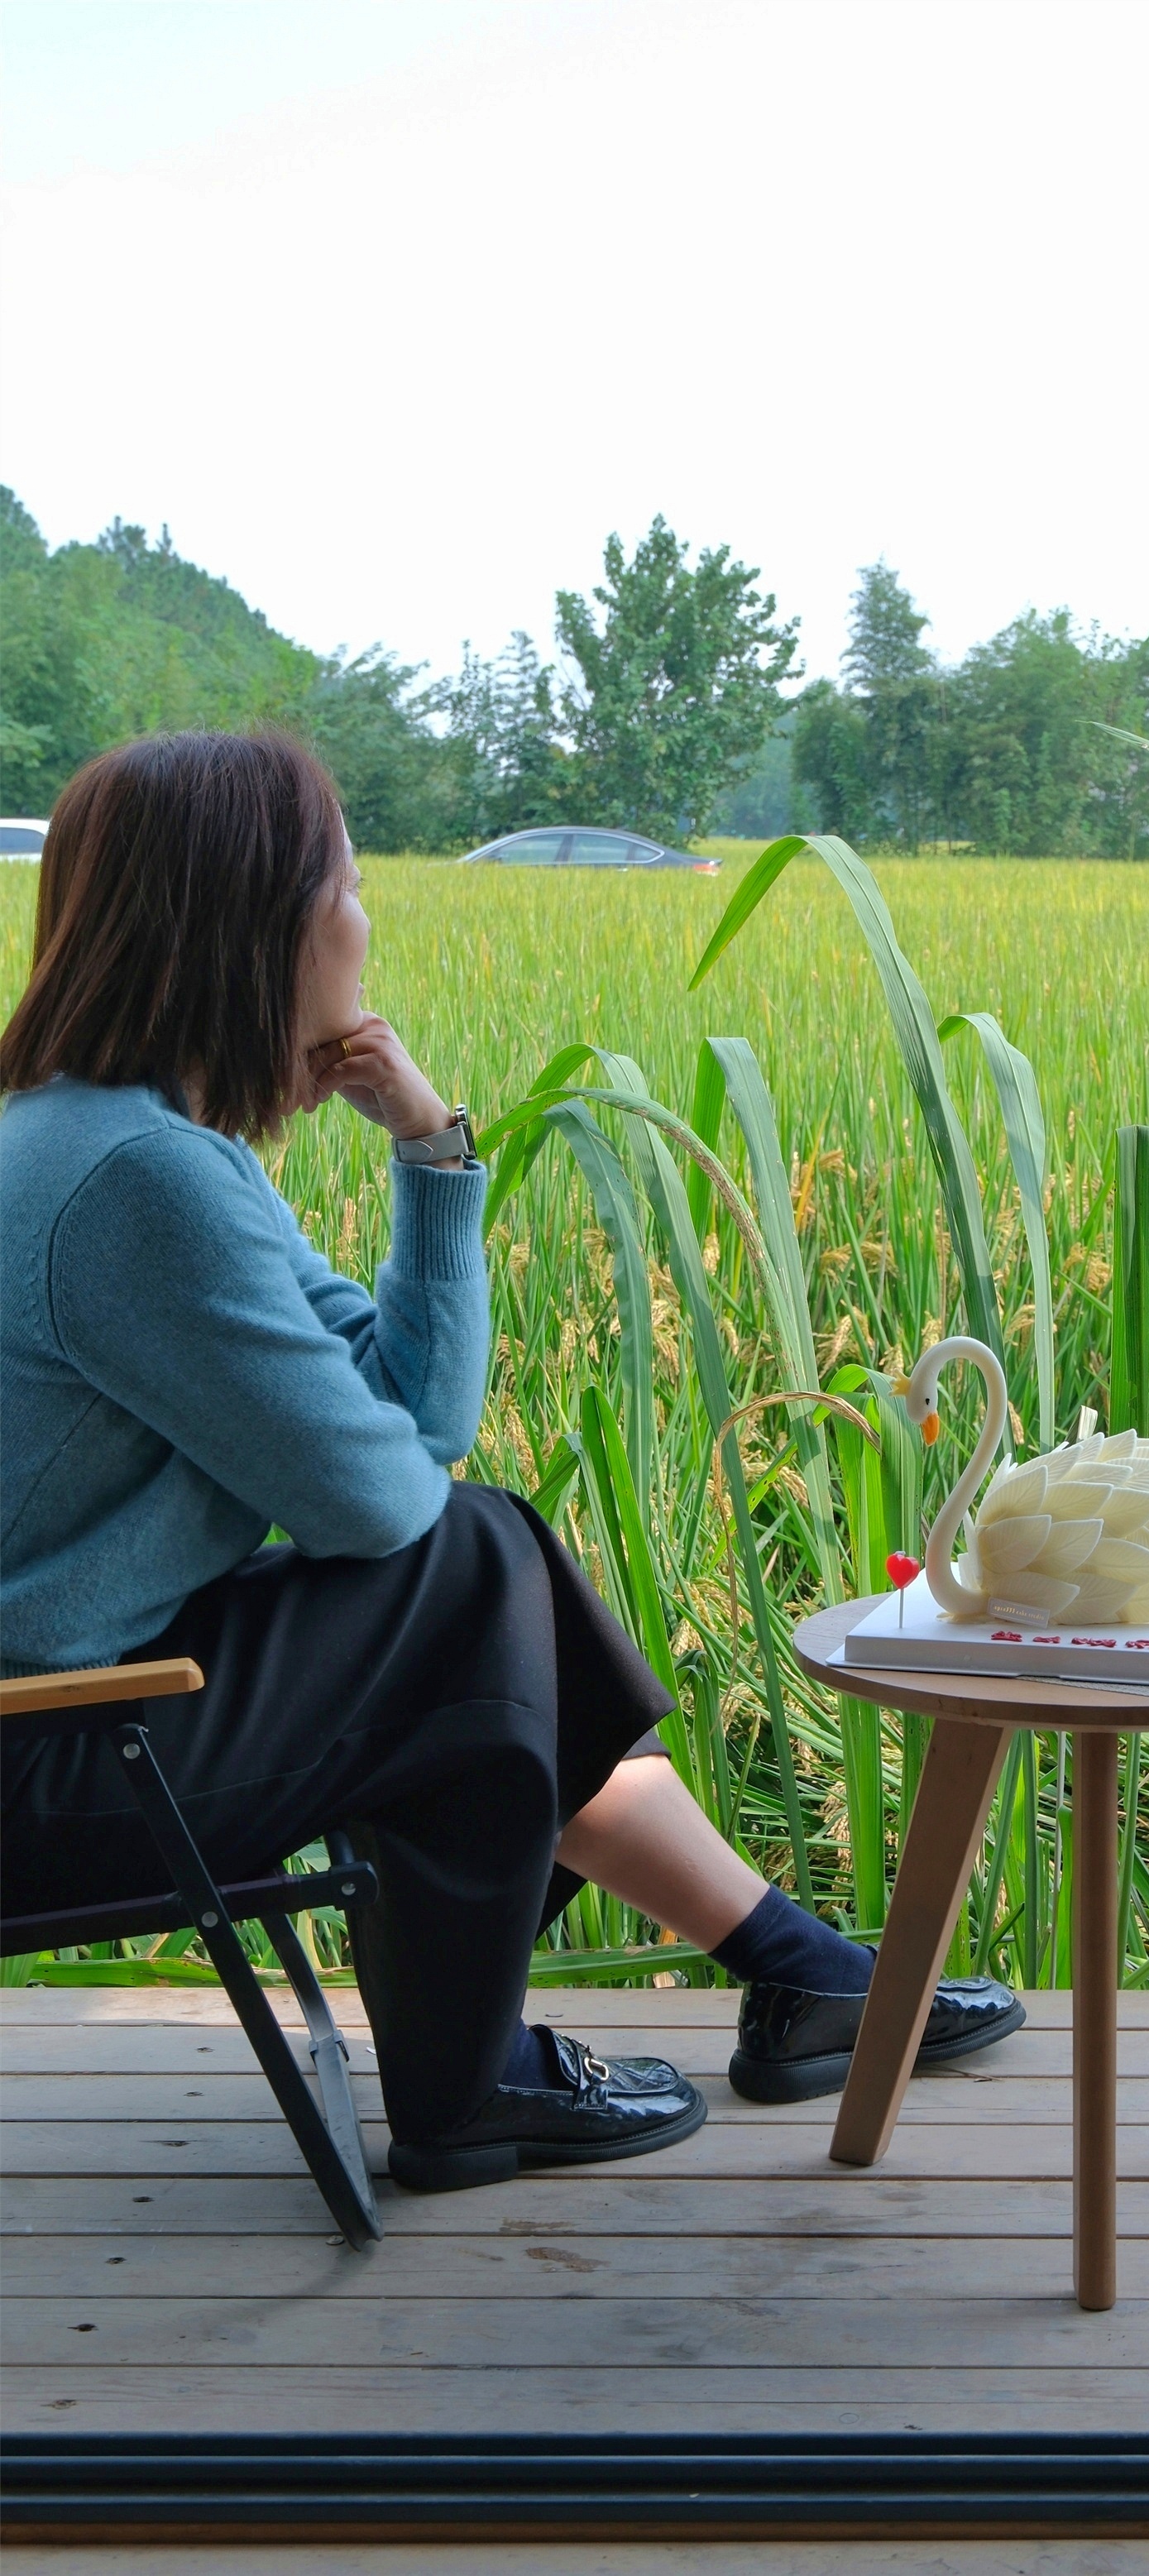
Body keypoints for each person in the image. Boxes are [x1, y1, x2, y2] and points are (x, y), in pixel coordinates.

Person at [0, 730, 1022, 2195]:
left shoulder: (125, 1145)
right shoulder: (139, 1183)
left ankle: (793, 1971)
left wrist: (430, 1149)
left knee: (486, 1568)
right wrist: (426, 1507)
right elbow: (384, 1502)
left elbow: (417, 1420)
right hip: (48, 1758)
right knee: (474, 1565)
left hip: (83, 1706)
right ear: (261, 922)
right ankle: (476, 2083)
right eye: (349, 884)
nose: (365, 922)